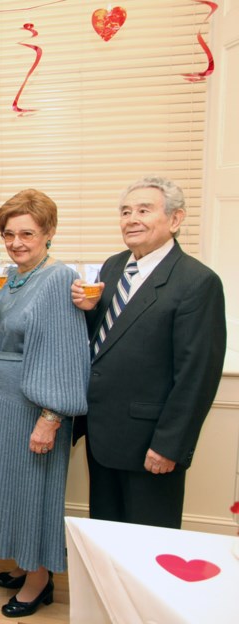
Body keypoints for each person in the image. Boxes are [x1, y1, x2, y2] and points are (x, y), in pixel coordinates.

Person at [0, 189, 89, 617]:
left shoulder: (58, 279)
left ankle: (39, 580)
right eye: (8, 233)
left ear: (49, 233)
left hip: (35, 404)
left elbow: (67, 354)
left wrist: (51, 418)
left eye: (27, 233)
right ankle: (23, 564)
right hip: (0, 401)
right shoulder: (9, 277)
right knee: (7, 486)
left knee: (34, 491)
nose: (16, 242)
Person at [72, 176, 226, 529]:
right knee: (106, 537)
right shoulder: (112, 266)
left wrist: (170, 444)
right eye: (126, 211)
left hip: (150, 443)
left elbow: (197, 374)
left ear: (175, 219)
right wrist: (89, 309)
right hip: (102, 433)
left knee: (148, 545)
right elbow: (106, 341)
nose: (131, 219)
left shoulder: (197, 282)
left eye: (144, 210)